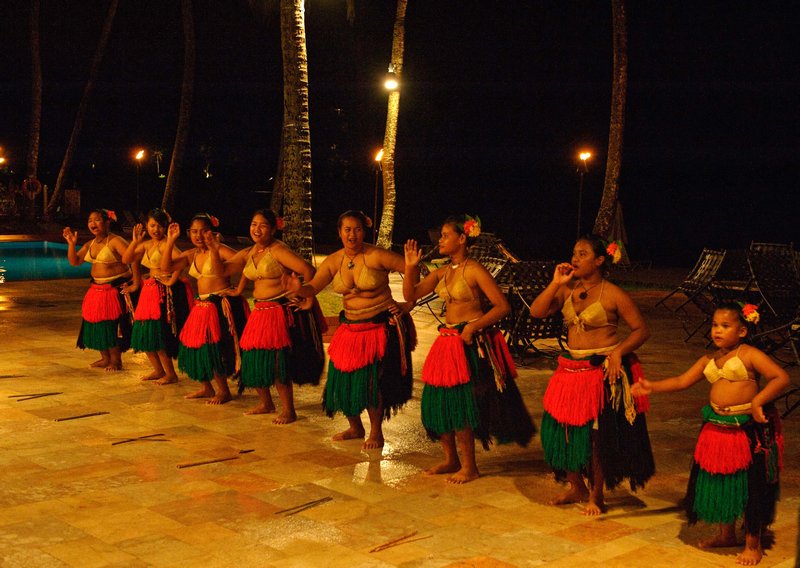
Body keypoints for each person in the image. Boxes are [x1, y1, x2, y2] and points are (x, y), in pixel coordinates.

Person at [632, 302, 788, 566]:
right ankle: (726, 534)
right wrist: (653, 386)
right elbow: (682, 381)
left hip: (745, 430)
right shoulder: (709, 359)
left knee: (750, 485)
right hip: (716, 427)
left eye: (725, 326)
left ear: (742, 331)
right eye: (714, 325)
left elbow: (780, 377)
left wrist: (758, 401)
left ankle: (753, 543)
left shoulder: (749, 354)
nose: (717, 330)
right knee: (720, 482)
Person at [403, 214, 535, 483]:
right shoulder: (443, 271)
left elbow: (502, 306)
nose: (440, 240)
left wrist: (473, 327)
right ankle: (451, 459)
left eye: (445, 235)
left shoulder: (474, 269)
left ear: (462, 239)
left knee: (463, 402)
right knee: (439, 400)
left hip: (470, 343)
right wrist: (410, 267)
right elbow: (411, 295)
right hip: (448, 341)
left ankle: (470, 466)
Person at [529, 234, 654, 515]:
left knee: (597, 436)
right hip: (570, 369)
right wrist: (555, 283)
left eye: (583, 254)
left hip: (600, 371)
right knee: (560, 431)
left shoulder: (612, 293)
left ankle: (596, 495)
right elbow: (536, 312)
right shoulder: (566, 289)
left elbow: (641, 330)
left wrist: (618, 352)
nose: (575, 258)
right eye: (574, 253)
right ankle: (576, 486)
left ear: (599, 260)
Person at [288, 210, 415, 449]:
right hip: (349, 328)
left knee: (371, 382)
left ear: (364, 231)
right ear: (339, 232)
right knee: (343, 380)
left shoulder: (377, 256)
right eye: (347, 229)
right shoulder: (335, 260)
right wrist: (298, 288)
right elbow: (313, 287)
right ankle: (355, 426)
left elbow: (412, 270)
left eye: (357, 229)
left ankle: (376, 432)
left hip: (377, 327)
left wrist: (408, 304)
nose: (352, 234)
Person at [223, 209, 326, 422]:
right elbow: (234, 270)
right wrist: (238, 288)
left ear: (272, 229)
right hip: (259, 311)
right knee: (253, 358)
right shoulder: (251, 251)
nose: (256, 229)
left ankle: (289, 410)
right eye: (253, 224)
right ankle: (266, 403)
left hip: (276, 311)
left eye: (262, 225)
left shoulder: (278, 250)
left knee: (278, 362)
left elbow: (308, 270)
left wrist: (307, 297)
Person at [160, 213, 248, 404]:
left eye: (203, 231)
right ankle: (206, 388)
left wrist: (239, 289)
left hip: (219, 306)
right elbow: (165, 266)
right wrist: (170, 241)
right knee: (195, 347)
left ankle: (223, 391)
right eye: (194, 231)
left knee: (213, 349)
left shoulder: (221, 250)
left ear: (212, 232)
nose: (198, 235)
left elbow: (247, 265)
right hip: (201, 306)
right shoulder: (192, 254)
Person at [121, 208, 193, 385]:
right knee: (144, 332)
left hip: (161, 293)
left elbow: (180, 263)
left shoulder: (167, 245)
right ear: (147, 226)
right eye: (153, 225)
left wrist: (171, 281)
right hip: (148, 290)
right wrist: (134, 241)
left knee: (157, 333)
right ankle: (158, 369)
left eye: (160, 226)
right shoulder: (146, 245)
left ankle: (170, 373)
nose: (156, 230)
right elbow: (127, 259)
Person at [63, 209, 138, 371]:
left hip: (114, 290)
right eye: (90, 220)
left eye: (97, 220)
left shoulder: (116, 241)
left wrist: (135, 282)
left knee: (111, 326)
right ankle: (105, 358)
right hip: (96, 290)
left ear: (107, 222)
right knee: (96, 324)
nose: (93, 223)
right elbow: (75, 261)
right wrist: (71, 244)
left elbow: (132, 259)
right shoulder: (90, 244)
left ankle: (116, 361)